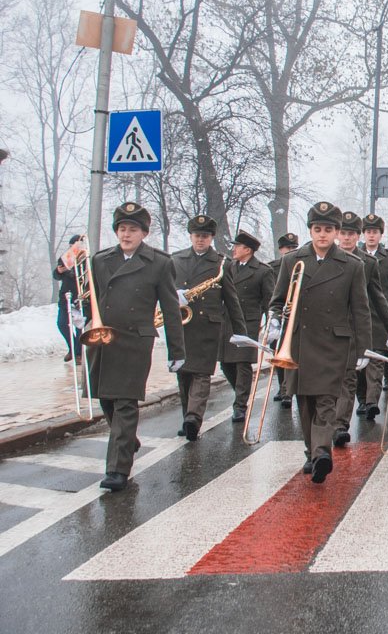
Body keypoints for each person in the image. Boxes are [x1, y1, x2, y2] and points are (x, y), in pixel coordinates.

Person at [267, 202, 371, 483]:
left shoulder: (353, 265)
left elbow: (360, 309)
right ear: (310, 231)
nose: (322, 234)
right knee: (305, 403)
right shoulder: (292, 261)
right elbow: (277, 300)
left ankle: (322, 452)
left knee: (327, 400)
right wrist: (274, 320)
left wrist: (364, 348)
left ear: (336, 232)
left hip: (333, 344)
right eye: (317, 229)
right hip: (300, 342)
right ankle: (311, 451)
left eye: (328, 229)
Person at [85, 202, 185, 491]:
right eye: (122, 229)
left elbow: (170, 310)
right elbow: (94, 298)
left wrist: (177, 351)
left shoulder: (160, 263)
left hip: (135, 341)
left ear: (144, 233)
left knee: (125, 402)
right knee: (106, 399)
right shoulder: (100, 260)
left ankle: (117, 471)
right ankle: (127, 439)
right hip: (104, 340)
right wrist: (84, 319)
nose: (126, 234)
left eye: (132, 229)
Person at [172, 215, 246, 441]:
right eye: (197, 235)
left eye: (205, 236)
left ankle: (193, 418)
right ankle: (187, 417)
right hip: (182, 325)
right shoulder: (176, 259)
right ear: (191, 236)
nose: (200, 240)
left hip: (208, 326)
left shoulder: (222, 263)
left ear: (211, 238)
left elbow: (231, 299)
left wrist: (240, 331)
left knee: (201, 373)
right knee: (183, 374)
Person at [333, 211, 388, 439]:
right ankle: (358, 404)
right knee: (340, 378)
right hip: (330, 328)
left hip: (364, 324)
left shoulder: (368, 263)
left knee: (351, 375)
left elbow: (380, 296)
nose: (347, 238)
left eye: (351, 233)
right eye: (343, 233)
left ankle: (341, 425)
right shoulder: (323, 258)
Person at [219, 231, 275, 424]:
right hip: (227, 321)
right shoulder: (228, 267)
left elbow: (269, 300)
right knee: (225, 363)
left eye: (237, 246)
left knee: (242, 364)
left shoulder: (263, 271)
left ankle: (240, 406)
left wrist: (271, 324)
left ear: (248, 250)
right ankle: (240, 393)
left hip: (248, 322)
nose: (234, 249)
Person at [362, 214, 388, 390]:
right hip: (361, 312)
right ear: (363, 234)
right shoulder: (355, 255)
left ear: (381, 235)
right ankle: (364, 398)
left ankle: (372, 399)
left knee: (377, 357)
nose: (371, 235)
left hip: (382, 315)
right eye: (368, 232)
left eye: (375, 232)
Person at [269, 233, 300, 409]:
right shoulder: (271, 268)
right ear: (281, 249)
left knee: (293, 353)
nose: (291, 250)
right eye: (288, 248)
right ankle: (282, 386)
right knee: (278, 353)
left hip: (297, 315)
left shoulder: (302, 264)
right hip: (280, 314)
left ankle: (288, 390)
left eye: (294, 247)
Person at [53, 234, 86, 365]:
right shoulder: (65, 258)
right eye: (72, 246)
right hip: (66, 297)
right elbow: (56, 275)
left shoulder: (86, 259)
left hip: (80, 297)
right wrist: (59, 271)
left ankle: (78, 353)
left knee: (79, 326)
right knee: (62, 323)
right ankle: (72, 348)